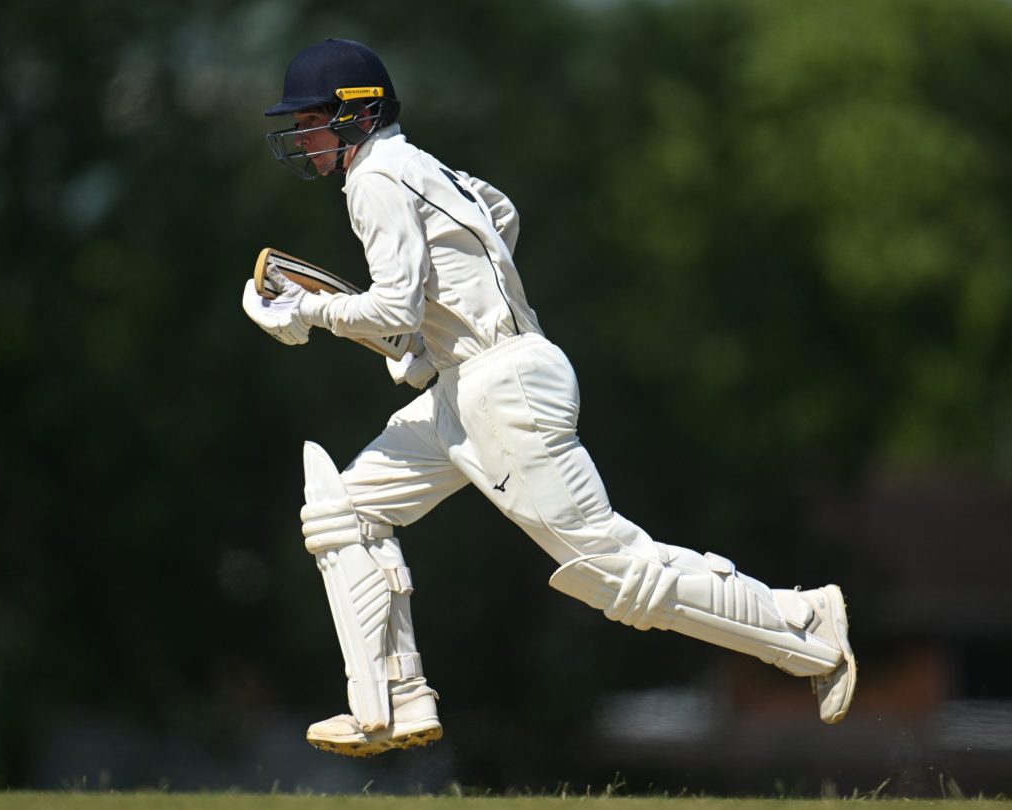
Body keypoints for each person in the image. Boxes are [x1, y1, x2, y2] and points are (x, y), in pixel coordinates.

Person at [242, 38, 857, 758]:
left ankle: (801, 625)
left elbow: (392, 309)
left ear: (357, 114)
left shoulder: (375, 178)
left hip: (501, 389)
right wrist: (440, 333)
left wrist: (308, 314)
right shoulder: (427, 168)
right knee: (344, 510)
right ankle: (394, 699)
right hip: (468, 385)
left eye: (312, 120)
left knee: (610, 570)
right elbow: (498, 217)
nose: (303, 138)